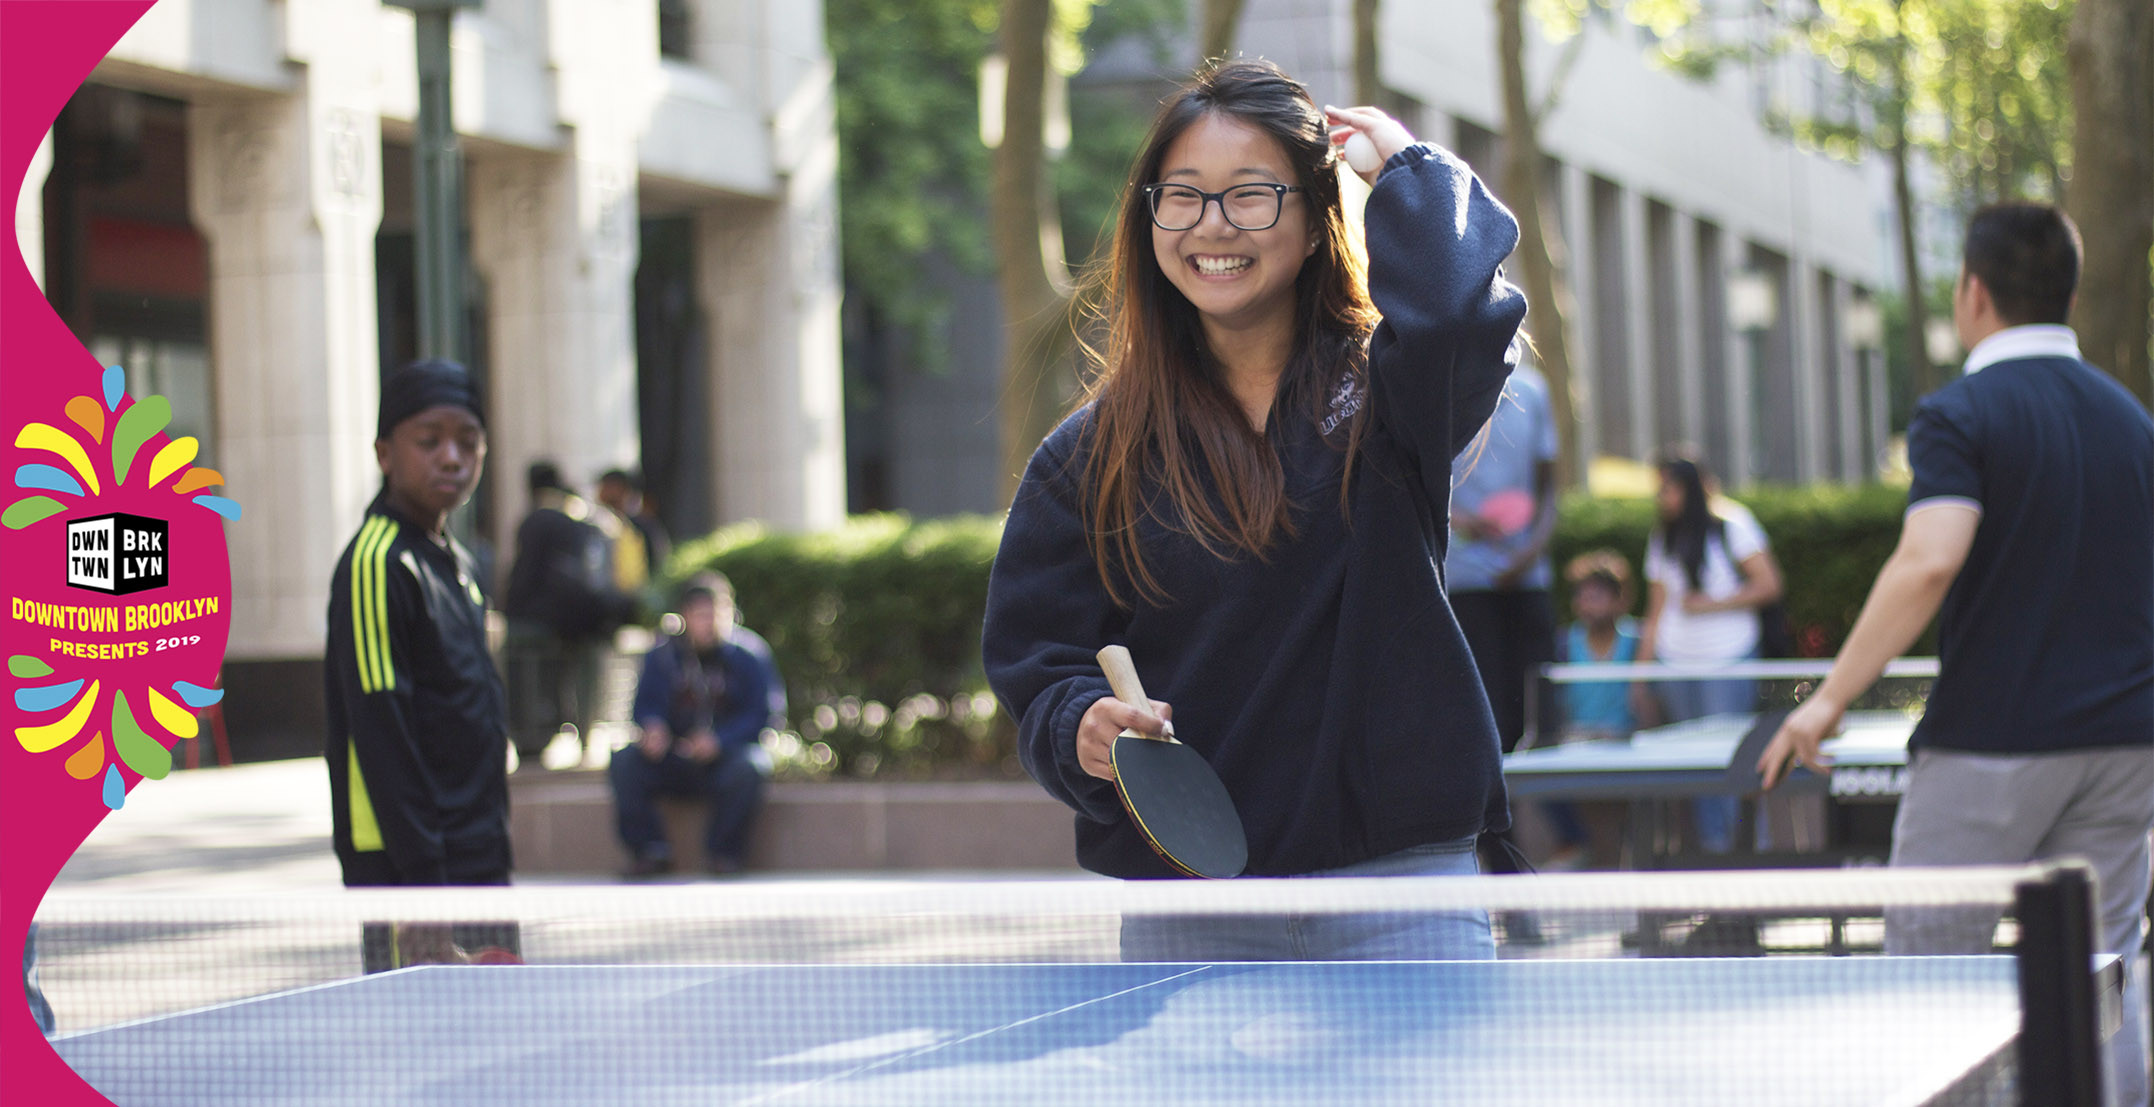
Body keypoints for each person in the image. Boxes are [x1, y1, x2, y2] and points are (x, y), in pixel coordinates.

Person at [982, 59, 1527, 962]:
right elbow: (1036, 663)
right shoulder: (1084, 457)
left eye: (1251, 196)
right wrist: (1082, 722)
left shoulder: (1390, 402)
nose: (1212, 227)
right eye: (1184, 197)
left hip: (1402, 890)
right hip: (1190, 905)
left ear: (1316, 222)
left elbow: (1454, 319)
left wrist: (1406, 167)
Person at [1759, 203, 2152, 1106]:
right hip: (2128, 746)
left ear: (1971, 292)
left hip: (1990, 748)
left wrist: (1826, 700)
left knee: (1929, 983)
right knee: (2103, 986)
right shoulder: (2134, 424)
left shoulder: (1960, 412)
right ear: (2072, 294)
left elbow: (1930, 557)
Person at [324, 359, 518, 970]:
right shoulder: (374, 563)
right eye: (429, 441)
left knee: (502, 1044)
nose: (453, 458)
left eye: (469, 441)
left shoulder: (458, 563)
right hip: (410, 871)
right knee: (414, 1054)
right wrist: (422, 886)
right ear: (385, 453)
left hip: (479, 852)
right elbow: (381, 726)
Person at [1636, 448, 1782, 854]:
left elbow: (1769, 584)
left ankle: (1752, 853)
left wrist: (1711, 604)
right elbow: (1655, 609)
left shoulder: (1734, 525)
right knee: (1695, 765)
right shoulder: (1662, 537)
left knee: (1735, 759)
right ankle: (1715, 858)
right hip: (1677, 664)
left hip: (1729, 659)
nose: (1663, 496)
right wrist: (1641, 675)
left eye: (1669, 487)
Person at [610, 573, 783, 877]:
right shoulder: (662, 656)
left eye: (717, 613)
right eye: (701, 614)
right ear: (685, 616)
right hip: (673, 757)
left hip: (724, 760)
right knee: (624, 761)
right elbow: (645, 705)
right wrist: (653, 729)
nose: (710, 622)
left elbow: (765, 714)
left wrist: (720, 741)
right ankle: (650, 850)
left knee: (752, 766)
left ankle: (723, 854)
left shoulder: (750, 655)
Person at [500, 461, 634, 767]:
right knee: (583, 676)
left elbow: (524, 575)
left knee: (533, 672)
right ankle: (585, 737)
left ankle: (535, 738)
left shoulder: (538, 520)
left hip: (544, 622)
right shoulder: (591, 520)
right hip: (591, 619)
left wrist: (510, 612)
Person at [1536, 550, 1645, 869]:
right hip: (1577, 746)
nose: (1587, 604)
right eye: (1582, 597)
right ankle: (1574, 845)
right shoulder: (1564, 643)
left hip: (1627, 747)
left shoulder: (1638, 642)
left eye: (1596, 596)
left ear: (1619, 600)